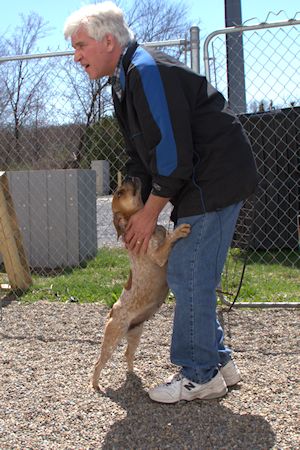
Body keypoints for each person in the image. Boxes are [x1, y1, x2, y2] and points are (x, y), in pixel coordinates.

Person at [64, 1, 258, 403]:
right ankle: (220, 364)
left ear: (108, 41)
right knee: (193, 273)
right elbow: (143, 157)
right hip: (201, 178)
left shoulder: (145, 72)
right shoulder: (123, 82)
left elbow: (171, 155)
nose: (76, 54)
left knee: (188, 275)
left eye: (80, 45)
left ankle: (199, 374)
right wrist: (135, 206)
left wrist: (150, 212)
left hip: (214, 176)